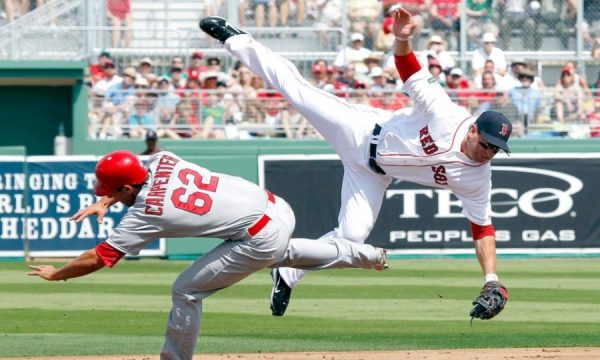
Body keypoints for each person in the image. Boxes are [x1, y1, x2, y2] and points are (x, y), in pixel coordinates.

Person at [200, 9, 511, 319]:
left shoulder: (477, 178)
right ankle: (236, 40)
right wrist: (402, 39)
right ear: (473, 130)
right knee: (297, 92)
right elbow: (409, 69)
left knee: (352, 238)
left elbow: (482, 228)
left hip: (372, 176)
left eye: (496, 150)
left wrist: (492, 279)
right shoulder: (445, 113)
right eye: (486, 144)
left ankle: (287, 274)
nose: (489, 153)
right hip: (360, 131)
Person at [28, 149, 388, 360]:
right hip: (275, 206)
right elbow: (133, 175)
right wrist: (108, 198)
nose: (106, 195)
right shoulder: (162, 159)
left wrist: (56, 274)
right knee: (282, 251)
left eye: (109, 191)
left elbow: (100, 257)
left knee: (186, 290)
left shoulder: (146, 213)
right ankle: (367, 255)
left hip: (257, 236)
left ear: (125, 187)